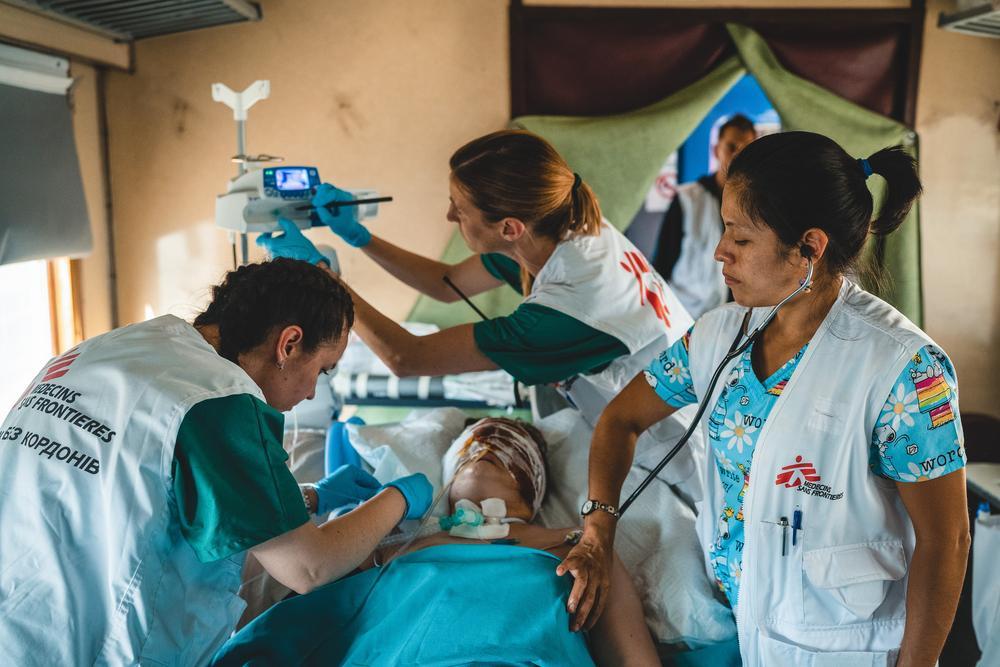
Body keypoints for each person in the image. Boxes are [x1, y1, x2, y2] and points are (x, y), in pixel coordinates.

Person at [560, 132, 970, 666]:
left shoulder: (903, 368)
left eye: (741, 237)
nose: (719, 251)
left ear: (810, 248)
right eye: (723, 227)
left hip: (849, 649)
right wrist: (598, 530)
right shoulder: (716, 336)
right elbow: (620, 420)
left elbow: (947, 540)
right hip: (746, 626)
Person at [0, 259, 433, 666]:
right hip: (83, 645)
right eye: (322, 370)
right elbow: (308, 567)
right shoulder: (218, 400)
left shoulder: (110, 348)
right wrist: (399, 496)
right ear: (289, 343)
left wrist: (307, 498)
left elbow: (123, 485)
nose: (312, 394)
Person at [259, 129, 703, 500]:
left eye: (460, 208)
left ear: (509, 227)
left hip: (672, 459)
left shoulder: (570, 310)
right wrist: (359, 237)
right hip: (644, 423)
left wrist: (322, 278)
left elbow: (405, 358)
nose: (449, 214)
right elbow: (446, 283)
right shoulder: (560, 227)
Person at [212, 417, 660, 667]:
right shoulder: (394, 541)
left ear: (537, 486)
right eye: (473, 443)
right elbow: (311, 599)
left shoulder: (583, 547)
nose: (488, 448)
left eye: (511, 443)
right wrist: (361, 517)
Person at [652, 113, 757, 318]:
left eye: (746, 148)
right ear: (716, 149)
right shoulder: (687, 200)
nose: (737, 155)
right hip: (685, 319)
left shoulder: (758, 208)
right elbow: (661, 267)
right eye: (731, 146)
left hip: (734, 321)